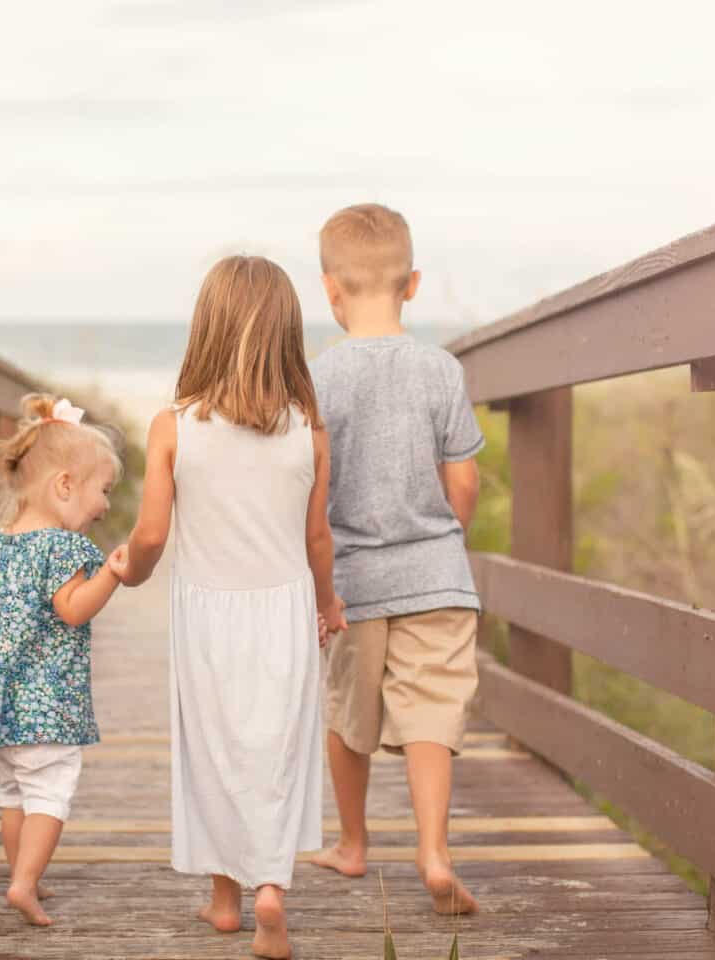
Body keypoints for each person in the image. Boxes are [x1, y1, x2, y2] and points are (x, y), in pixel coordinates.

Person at [112, 255, 344, 959]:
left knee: (214, 747)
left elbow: (151, 532)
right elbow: (317, 538)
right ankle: (269, 887)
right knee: (275, 748)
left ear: (205, 331)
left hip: (208, 615)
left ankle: (224, 902)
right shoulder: (309, 430)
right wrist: (329, 606)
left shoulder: (173, 427)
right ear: (287, 333)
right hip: (283, 611)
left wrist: (130, 570)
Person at [308, 204, 485, 915]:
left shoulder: (316, 378)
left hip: (352, 582)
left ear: (330, 290)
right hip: (437, 575)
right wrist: (447, 536)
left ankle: (353, 844)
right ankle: (434, 851)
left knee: (349, 714)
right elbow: (463, 479)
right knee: (432, 715)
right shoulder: (441, 370)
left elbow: (311, 489)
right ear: (412, 284)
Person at [0, 393, 126, 927]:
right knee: (50, 790)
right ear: (65, 485)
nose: (106, 505)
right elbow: (72, 610)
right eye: (104, 490)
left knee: (13, 792)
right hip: (46, 708)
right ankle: (24, 883)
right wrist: (111, 575)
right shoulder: (64, 549)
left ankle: (21, 874)